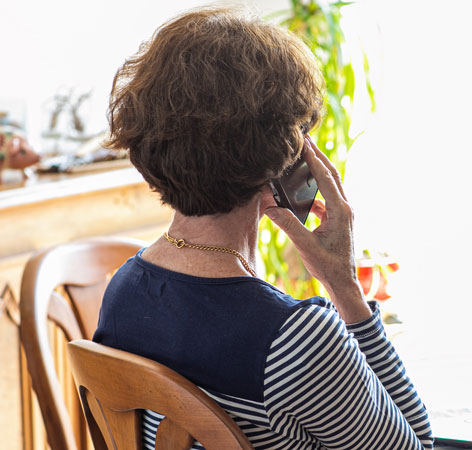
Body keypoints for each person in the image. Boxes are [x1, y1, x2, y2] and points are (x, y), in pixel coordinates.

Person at [93, 7, 432, 449]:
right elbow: (418, 445)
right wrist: (344, 288)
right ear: (285, 155)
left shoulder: (124, 290)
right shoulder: (297, 339)